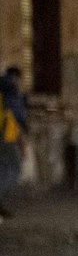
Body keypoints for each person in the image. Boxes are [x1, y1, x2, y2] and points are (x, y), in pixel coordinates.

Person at [0, 65, 28, 219]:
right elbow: (15, 116)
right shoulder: (11, 89)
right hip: (6, 133)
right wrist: (22, 141)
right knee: (13, 168)